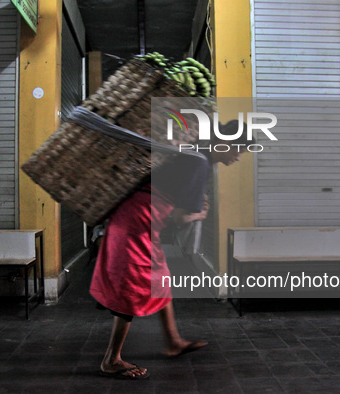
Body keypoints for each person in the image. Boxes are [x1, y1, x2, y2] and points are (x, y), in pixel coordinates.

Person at [90, 120, 249, 379]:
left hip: (137, 220)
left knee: (161, 278)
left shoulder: (193, 154)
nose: (239, 156)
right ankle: (112, 359)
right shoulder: (200, 163)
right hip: (136, 224)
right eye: (238, 148)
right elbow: (178, 218)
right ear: (222, 143)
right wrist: (200, 216)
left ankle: (173, 342)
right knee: (135, 285)